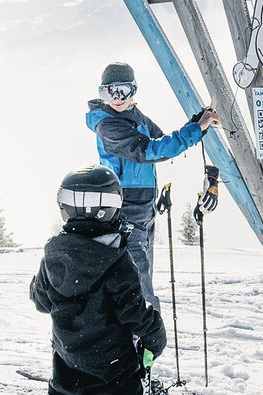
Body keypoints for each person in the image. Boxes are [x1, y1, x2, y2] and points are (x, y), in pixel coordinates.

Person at [86, 61, 218, 309]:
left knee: (142, 277)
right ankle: (144, 339)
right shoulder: (108, 125)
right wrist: (195, 130)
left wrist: (197, 124)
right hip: (124, 210)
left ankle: (140, 338)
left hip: (145, 210)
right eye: (109, 92)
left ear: (133, 90)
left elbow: (163, 141)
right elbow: (150, 150)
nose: (116, 98)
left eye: (122, 91)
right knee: (138, 286)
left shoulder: (136, 117)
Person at [30, 165, 168, 395]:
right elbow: (135, 313)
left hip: (68, 373)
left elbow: (42, 301)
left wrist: (35, 288)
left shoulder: (54, 255)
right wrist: (155, 336)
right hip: (114, 376)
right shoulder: (116, 259)